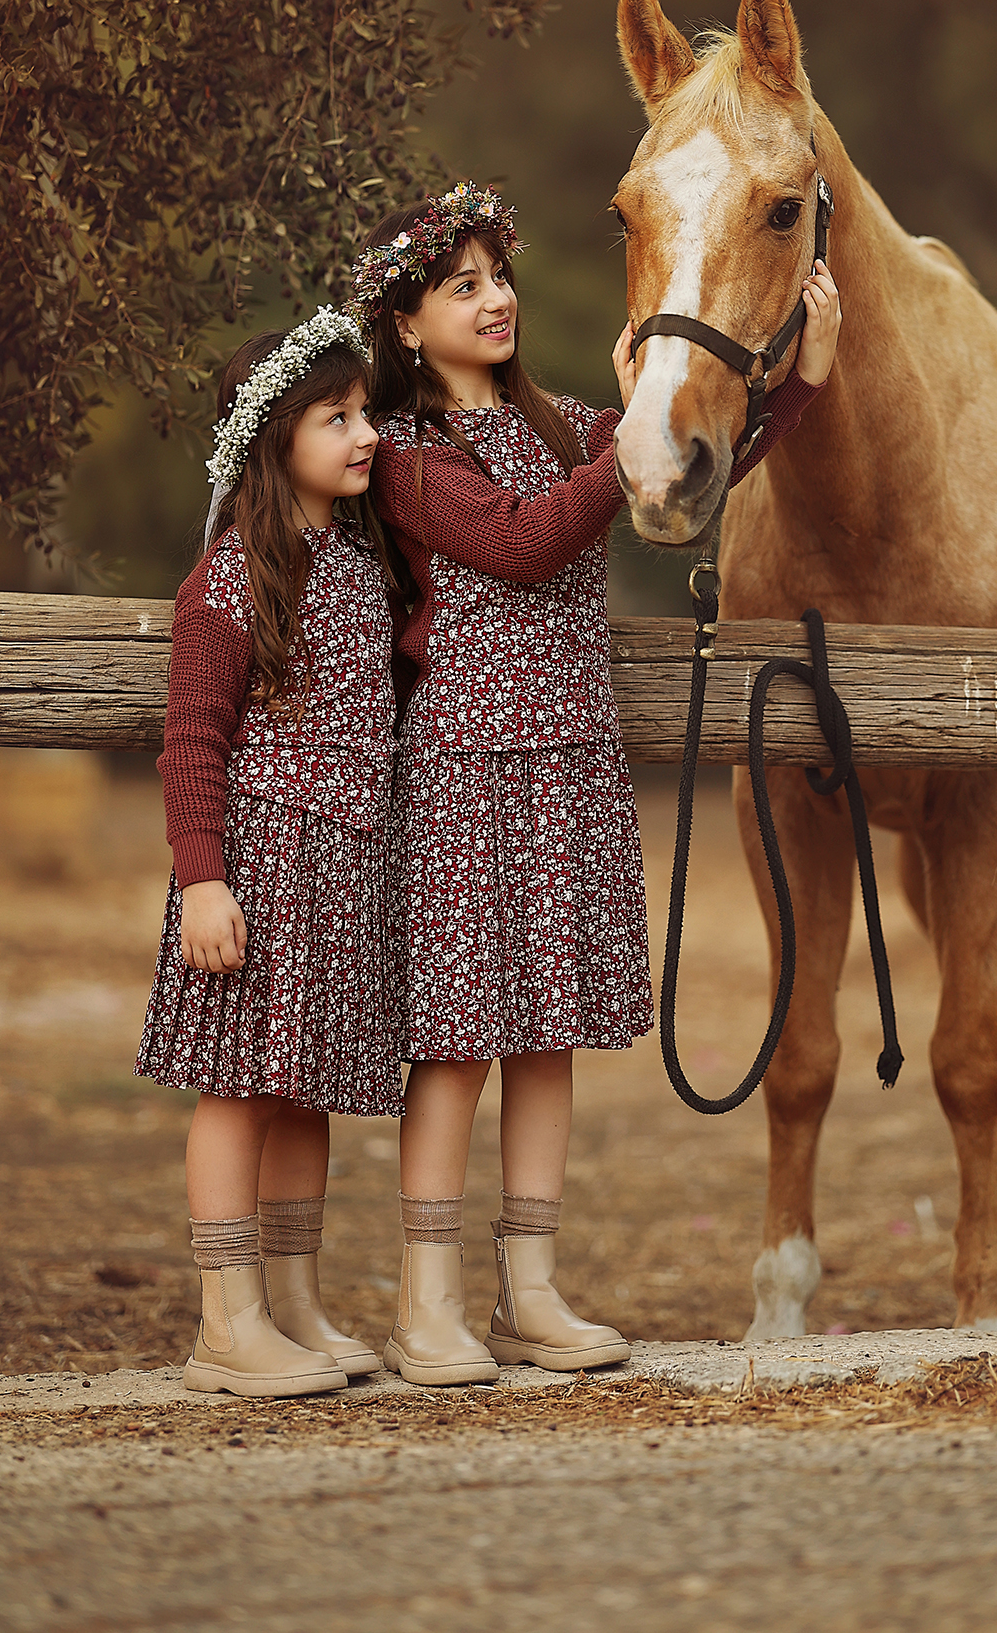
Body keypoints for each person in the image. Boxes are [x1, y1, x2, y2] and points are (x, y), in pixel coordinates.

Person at [352, 181, 841, 1386]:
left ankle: (531, 1288)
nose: (496, 298)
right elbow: (522, 539)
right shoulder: (409, 458)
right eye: (461, 285)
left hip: (567, 761)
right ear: (408, 325)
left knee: (547, 1037)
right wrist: (622, 436)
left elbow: (682, 460)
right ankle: (429, 1303)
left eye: (498, 276)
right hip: (468, 767)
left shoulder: (559, 422)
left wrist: (805, 384)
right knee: (459, 1043)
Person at [136, 309, 411, 1399]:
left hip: (338, 865)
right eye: (335, 417)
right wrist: (203, 876)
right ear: (271, 438)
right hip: (258, 864)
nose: (364, 433)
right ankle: (226, 1319)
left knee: (304, 1093)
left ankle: (292, 1302)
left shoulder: (352, 561)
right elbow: (193, 740)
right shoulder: (227, 580)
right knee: (239, 1089)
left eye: (364, 412)